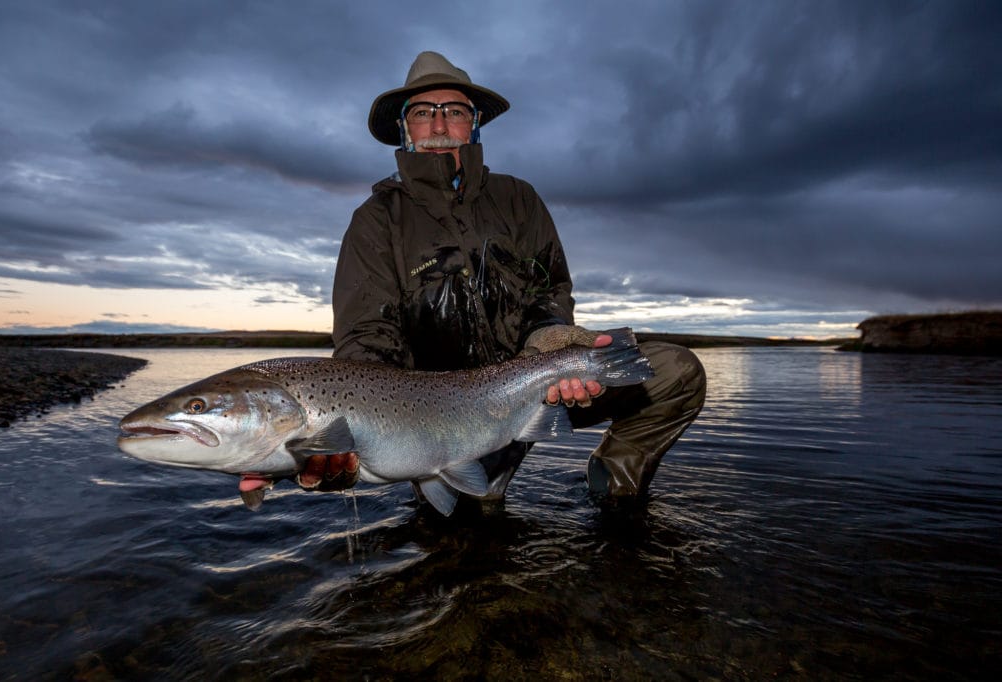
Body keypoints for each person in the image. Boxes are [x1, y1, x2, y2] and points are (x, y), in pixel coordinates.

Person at [301, 51, 706, 510]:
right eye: (422, 113)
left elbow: (549, 288)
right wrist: (350, 430)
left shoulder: (518, 199)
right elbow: (365, 339)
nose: (438, 127)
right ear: (404, 128)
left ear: (473, 125)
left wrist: (550, 334)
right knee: (468, 527)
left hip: (534, 386)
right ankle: (478, 492)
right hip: (438, 419)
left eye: (454, 112)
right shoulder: (376, 221)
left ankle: (616, 484)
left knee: (675, 372)